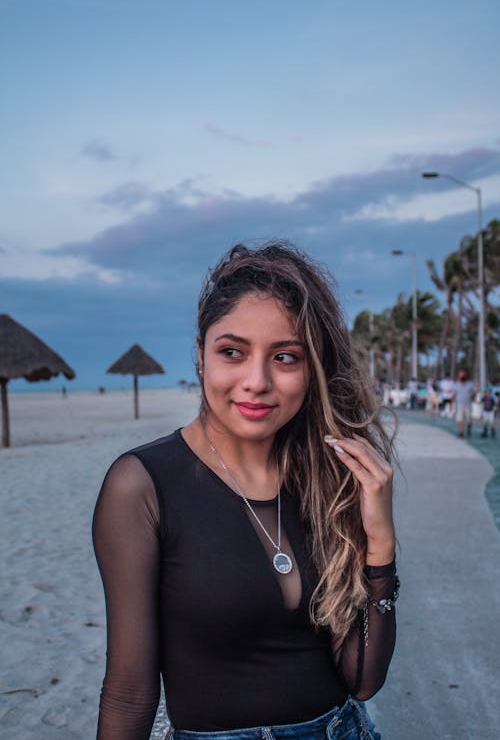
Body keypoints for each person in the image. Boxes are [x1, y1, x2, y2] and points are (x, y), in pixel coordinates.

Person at [92, 242, 398, 740]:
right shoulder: (142, 486)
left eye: (284, 357)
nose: (256, 382)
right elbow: (129, 691)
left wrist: (380, 545)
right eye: (232, 352)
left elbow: (362, 680)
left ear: (310, 368)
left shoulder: (326, 478)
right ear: (200, 354)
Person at [454, 370, 475, 438]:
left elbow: (473, 393)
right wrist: (451, 404)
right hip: (460, 405)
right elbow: (454, 394)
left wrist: (472, 398)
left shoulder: (470, 384)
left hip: (468, 405)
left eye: (463, 376)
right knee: (460, 419)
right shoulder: (456, 384)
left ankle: (469, 430)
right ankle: (461, 432)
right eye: (461, 377)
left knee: (469, 420)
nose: (462, 378)